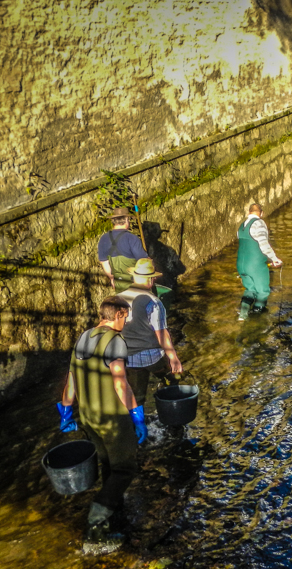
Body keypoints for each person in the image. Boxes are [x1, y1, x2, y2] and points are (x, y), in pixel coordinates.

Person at [56, 295, 146, 545]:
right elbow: (120, 382)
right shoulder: (116, 341)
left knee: (108, 465)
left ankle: (112, 512)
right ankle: (95, 526)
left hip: (88, 416)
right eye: (125, 316)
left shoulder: (83, 337)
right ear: (117, 314)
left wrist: (66, 410)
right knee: (125, 468)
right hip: (112, 418)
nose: (126, 321)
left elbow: (71, 380)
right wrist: (136, 414)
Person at [116, 258, 183, 407]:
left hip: (128, 357)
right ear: (151, 280)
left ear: (133, 276)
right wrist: (173, 357)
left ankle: (136, 424)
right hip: (151, 356)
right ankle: (171, 405)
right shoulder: (153, 302)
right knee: (172, 377)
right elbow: (161, 333)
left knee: (136, 397)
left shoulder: (119, 298)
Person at [236, 202, 283, 320]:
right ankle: (256, 319)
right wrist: (275, 259)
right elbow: (263, 244)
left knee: (250, 289)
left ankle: (243, 315)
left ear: (248, 213)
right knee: (262, 292)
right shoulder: (259, 224)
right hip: (255, 265)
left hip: (241, 264)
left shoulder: (241, 226)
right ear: (261, 213)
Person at [97, 207, 149, 292]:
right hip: (136, 283)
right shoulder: (131, 238)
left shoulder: (103, 238)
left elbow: (104, 262)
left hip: (119, 284)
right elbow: (143, 261)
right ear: (126, 219)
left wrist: (112, 278)